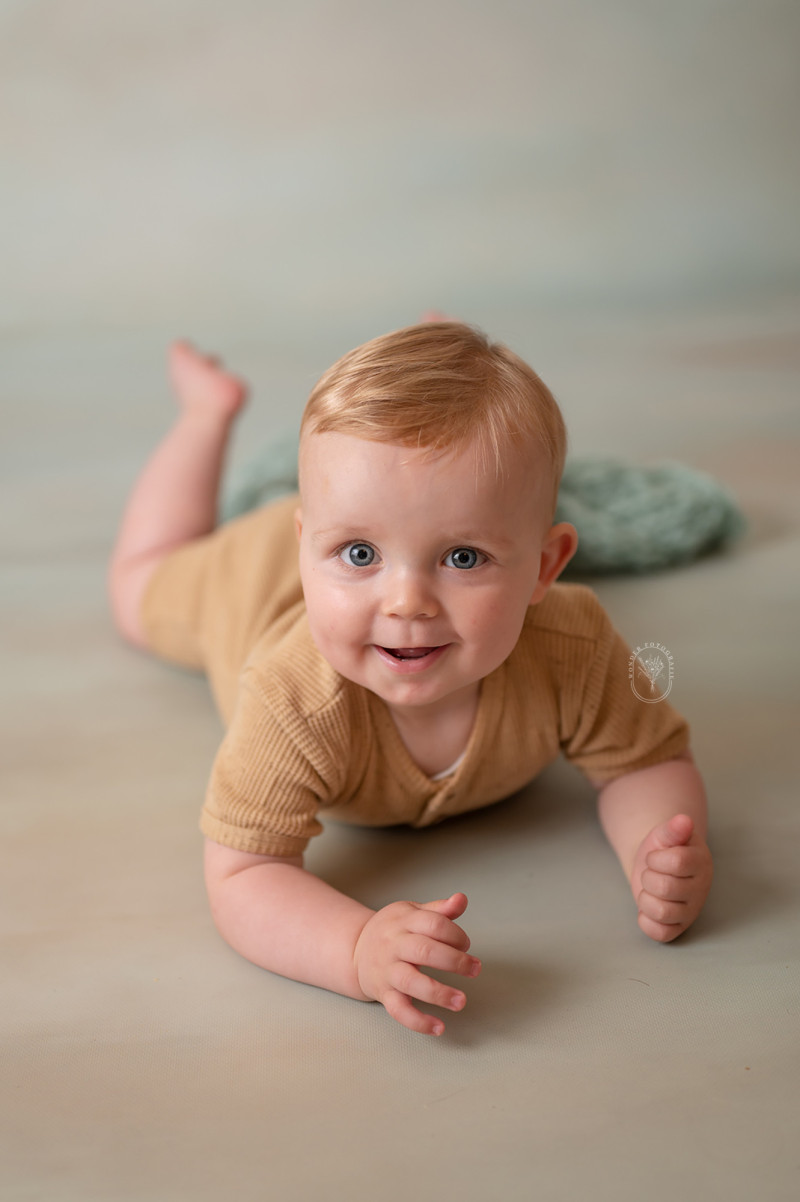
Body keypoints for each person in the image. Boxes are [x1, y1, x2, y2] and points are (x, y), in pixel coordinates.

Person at [108, 319, 713, 1037]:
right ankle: (207, 412)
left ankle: (424, 401)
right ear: (310, 548)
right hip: (253, 582)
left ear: (546, 567)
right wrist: (355, 947)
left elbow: (645, 760)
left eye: (462, 558)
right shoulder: (292, 699)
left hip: (369, 519)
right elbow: (242, 875)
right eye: (360, 553)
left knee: (436, 477)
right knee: (138, 585)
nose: (406, 603)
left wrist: (660, 846)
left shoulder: (575, 646)